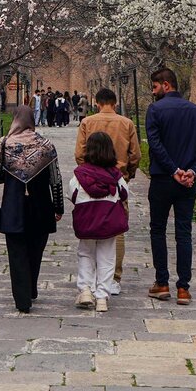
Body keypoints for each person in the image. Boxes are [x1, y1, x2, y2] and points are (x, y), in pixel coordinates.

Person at [0, 105, 64, 313]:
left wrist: (13, 171)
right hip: (41, 206)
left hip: (14, 206)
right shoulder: (46, 145)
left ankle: (22, 299)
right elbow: (55, 179)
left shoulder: (5, 144)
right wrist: (59, 207)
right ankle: (30, 289)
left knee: (16, 251)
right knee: (35, 250)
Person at [144, 67, 196, 306]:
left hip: (163, 179)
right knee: (184, 233)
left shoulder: (155, 110)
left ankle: (162, 283)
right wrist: (191, 170)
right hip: (187, 183)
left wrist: (174, 171)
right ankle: (183, 288)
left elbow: (155, 145)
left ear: (166, 84)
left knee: (158, 230)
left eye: (155, 87)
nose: (153, 92)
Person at [75, 87, 140, 295]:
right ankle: (113, 278)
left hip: (90, 182)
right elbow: (135, 155)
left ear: (97, 103)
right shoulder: (126, 123)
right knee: (116, 228)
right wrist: (127, 174)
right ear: (115, 103)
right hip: (116, 180)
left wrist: (88, 172)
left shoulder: (87, 122)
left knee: (90, 227)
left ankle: (90, 278)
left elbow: (79, 154)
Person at [69, 131, 130, 312]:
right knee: (107, 257)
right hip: (108, 221)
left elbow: (71, 194)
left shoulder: (80, 174)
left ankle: (86, 290)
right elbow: (124, 193)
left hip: (86, 220)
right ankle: (102, 296)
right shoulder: (115, 175)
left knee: (85, 254)